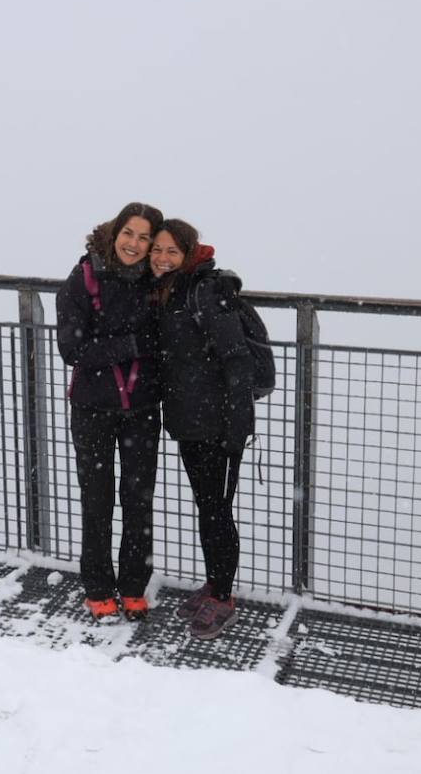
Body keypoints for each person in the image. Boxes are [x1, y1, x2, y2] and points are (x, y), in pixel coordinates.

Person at [55, 202, 165, 623]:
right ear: (115, 232)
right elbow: (73, 350)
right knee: (96, 500)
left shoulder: (155, 280)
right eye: (129, 234)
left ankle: (134, 586)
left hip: (141, 409)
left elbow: (190, 254)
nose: (135, 245)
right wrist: (130, 346)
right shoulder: (83, 279)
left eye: (145, 238)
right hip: (92, 409)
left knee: (139, 501)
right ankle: (98, 587)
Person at [149, 218, 255, 639]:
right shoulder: (172, 289)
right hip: (190, 422)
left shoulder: (205, 291)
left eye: (172, 251)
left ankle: (224, 597)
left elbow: (237, 359)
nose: (161, 257)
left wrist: (237, 427)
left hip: (220, 425)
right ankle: (214, 584)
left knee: (217, 511)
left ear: (188, 252)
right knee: (207, 507)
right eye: (157, 249)